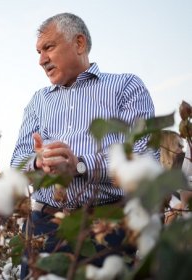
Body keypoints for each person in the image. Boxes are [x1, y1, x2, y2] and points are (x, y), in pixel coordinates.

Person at [10, 13, 157, 278]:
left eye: (49, 48)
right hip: (44, 228)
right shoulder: (38, 101)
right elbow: (17, 161)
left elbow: (145, 159)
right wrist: (38, 161)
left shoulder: (125, 87)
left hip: (105, 229)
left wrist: (79, 164)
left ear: (79, 43)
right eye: (38, 51)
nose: (41, 60)